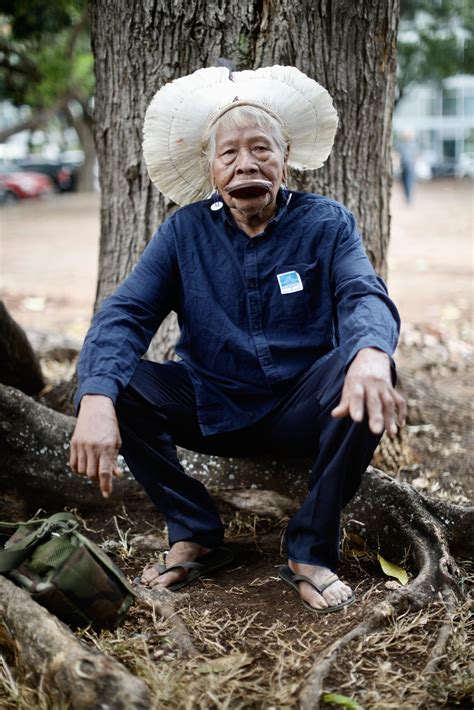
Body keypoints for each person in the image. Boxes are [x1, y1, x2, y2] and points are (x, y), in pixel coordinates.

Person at [70, 66, 406, 613]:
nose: (246, 163)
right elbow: (125, 315)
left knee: (372, 366)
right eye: (229, 154)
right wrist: (97, 398)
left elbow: (363, 293)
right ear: (210, 167)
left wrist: (371, 353)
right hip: (211, 404)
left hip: (304, 407)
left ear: (286, 155)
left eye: (260, 149)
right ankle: (196, 531)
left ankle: (309, 550)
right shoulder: (182, 232)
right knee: (109, 380)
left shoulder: (328, 223)